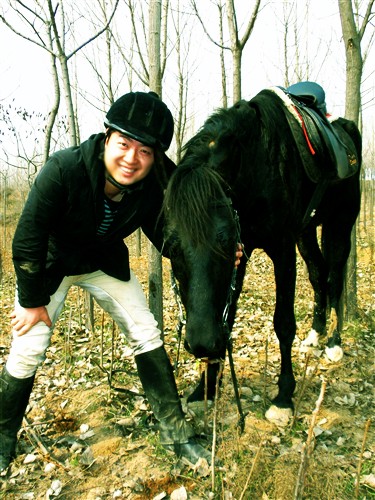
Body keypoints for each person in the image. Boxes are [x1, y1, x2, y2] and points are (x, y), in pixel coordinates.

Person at [0, 91, 220, 472]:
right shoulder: (63, 168)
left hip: (102, 262)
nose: (132, 159)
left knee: (145, 331)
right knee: (28, 346)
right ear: (106, 136)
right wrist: (34, 301)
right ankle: (2, 439)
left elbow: (169, 238)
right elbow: (27, 239)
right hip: (50, 265)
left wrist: (217, 250)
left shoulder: (152, 186)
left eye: (146, 152)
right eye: (124, 144)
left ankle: (176, 433)